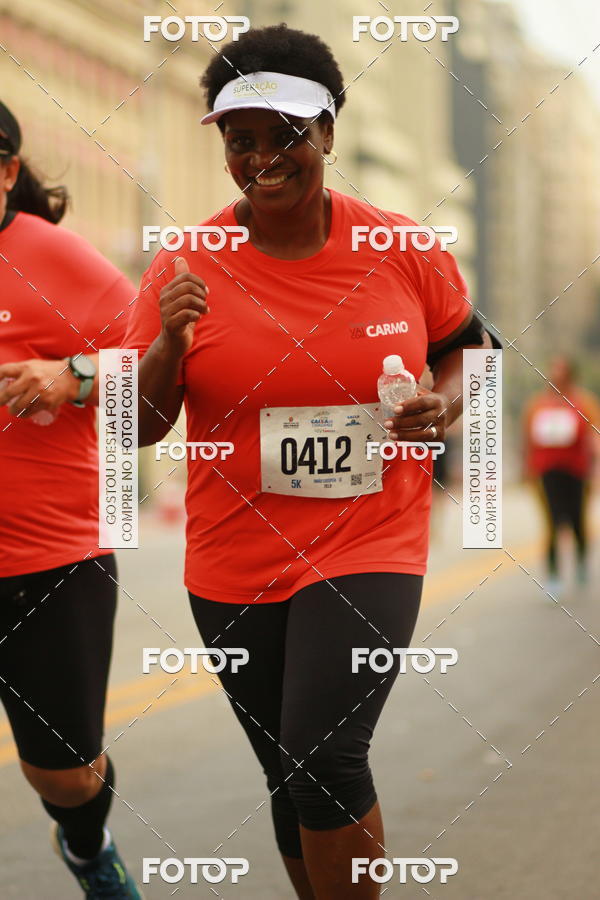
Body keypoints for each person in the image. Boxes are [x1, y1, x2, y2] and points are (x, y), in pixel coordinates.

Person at [125, 24, 497, 898]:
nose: (263, 156)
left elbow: (471, 352)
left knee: (326, 758)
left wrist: (442, 404)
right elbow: (139, 426)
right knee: (289, 777)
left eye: (286, 132)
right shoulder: (184, 262)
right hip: (231, 560)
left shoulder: (403, 248)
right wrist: (170, 347)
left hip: (367, 541)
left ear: (328, 131)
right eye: (239, 138)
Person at [0, 101, 141, 899]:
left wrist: (74, 374)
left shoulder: (55, 259)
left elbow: (159, 363)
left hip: (51, 561)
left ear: (9, 173)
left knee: (66, 775)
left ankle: (88, 848)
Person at [523, 356, 599, 597]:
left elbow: (594, 436)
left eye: (561, 371)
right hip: (547, 472)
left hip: (577, 471)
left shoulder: (585, 402)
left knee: (577, 521)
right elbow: (527, 439)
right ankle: (554, 576)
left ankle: (580, 562)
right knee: (553, 522)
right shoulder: (537, 404)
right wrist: (527, 469)